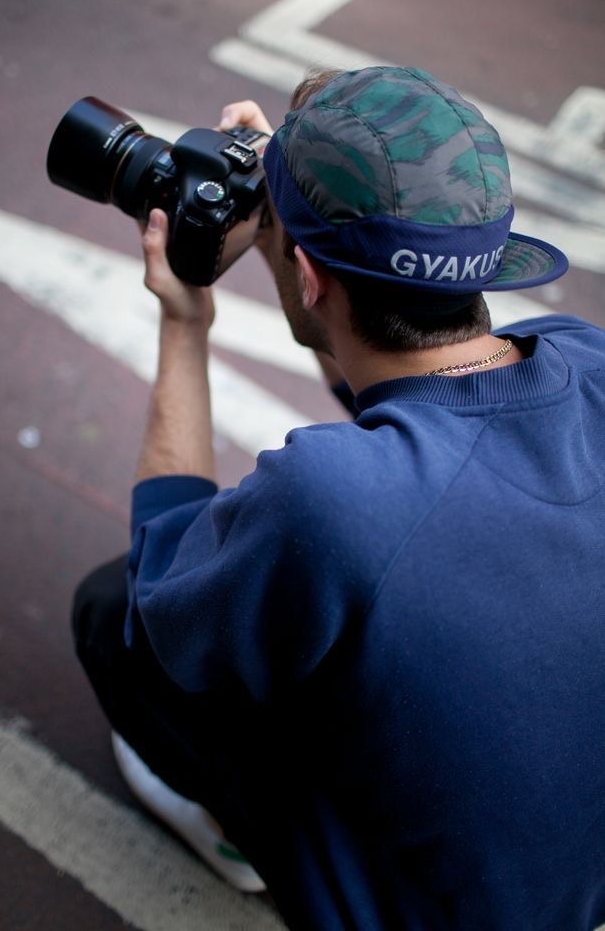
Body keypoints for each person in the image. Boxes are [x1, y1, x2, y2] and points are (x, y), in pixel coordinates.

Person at [72, 66, 605, 930]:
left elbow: (158, 589)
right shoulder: (583, 358)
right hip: (574, 881)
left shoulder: (330, 502)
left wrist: (186, 318)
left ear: (311, 279)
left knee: (107, 612)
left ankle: (246, 841)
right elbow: (410, 393)